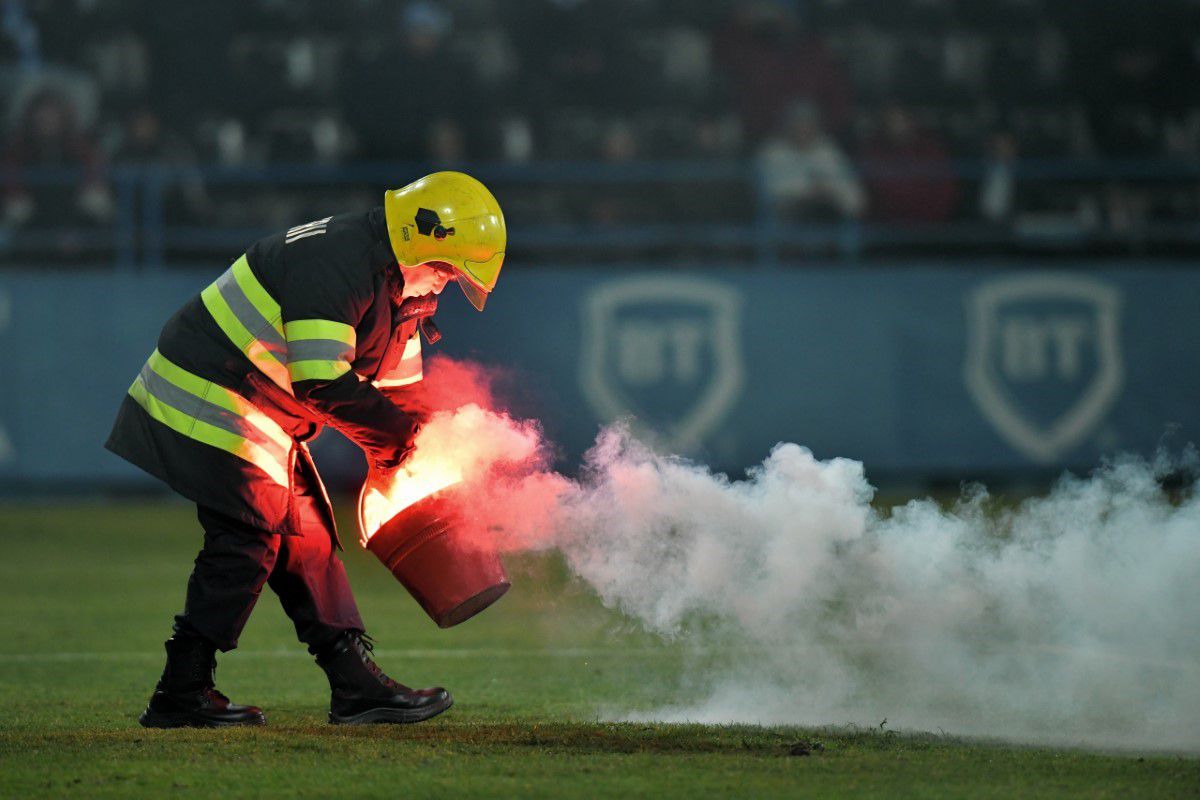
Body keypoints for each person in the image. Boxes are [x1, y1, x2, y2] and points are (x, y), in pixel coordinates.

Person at [105, 171, 506, 728]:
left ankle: (354, 686)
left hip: (260, 410)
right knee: (247, 537)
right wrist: (398, 444)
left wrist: (417, 452)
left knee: (308, 538)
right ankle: (182, 690)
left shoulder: (403, 295)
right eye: (444, 270)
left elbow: (400, 402)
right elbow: (322, 382)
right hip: (210, 391)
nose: (443, 287)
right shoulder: (337, 261)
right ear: (420, 240)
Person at [757, 102, 865, 220]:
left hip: (830, 217)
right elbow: (772, 194)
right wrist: (809, 194)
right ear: (787, 126)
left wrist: (828, 193)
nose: (802, 129)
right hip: (789, 220)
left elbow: (856, 199)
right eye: (798, 124)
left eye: (807, 124)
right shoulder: (772, 153)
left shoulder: (829, 152)